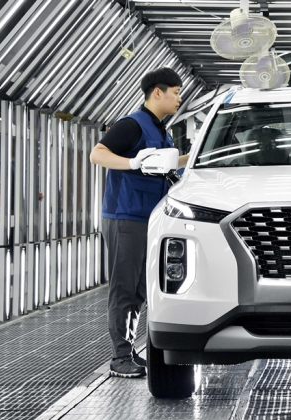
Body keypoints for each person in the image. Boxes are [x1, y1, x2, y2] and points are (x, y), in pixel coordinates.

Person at [90, 68, 188, 378]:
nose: (179, 98)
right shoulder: (132, 125)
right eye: (175, 92)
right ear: (157, 92)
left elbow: (167, 163)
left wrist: (198, 155)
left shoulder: (162, 130)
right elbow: (97, 154)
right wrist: (132, 162)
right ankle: (119, 357)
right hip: (125, 218)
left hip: (150, 219)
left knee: (141, 289)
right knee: (124, 287)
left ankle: (128, 350)